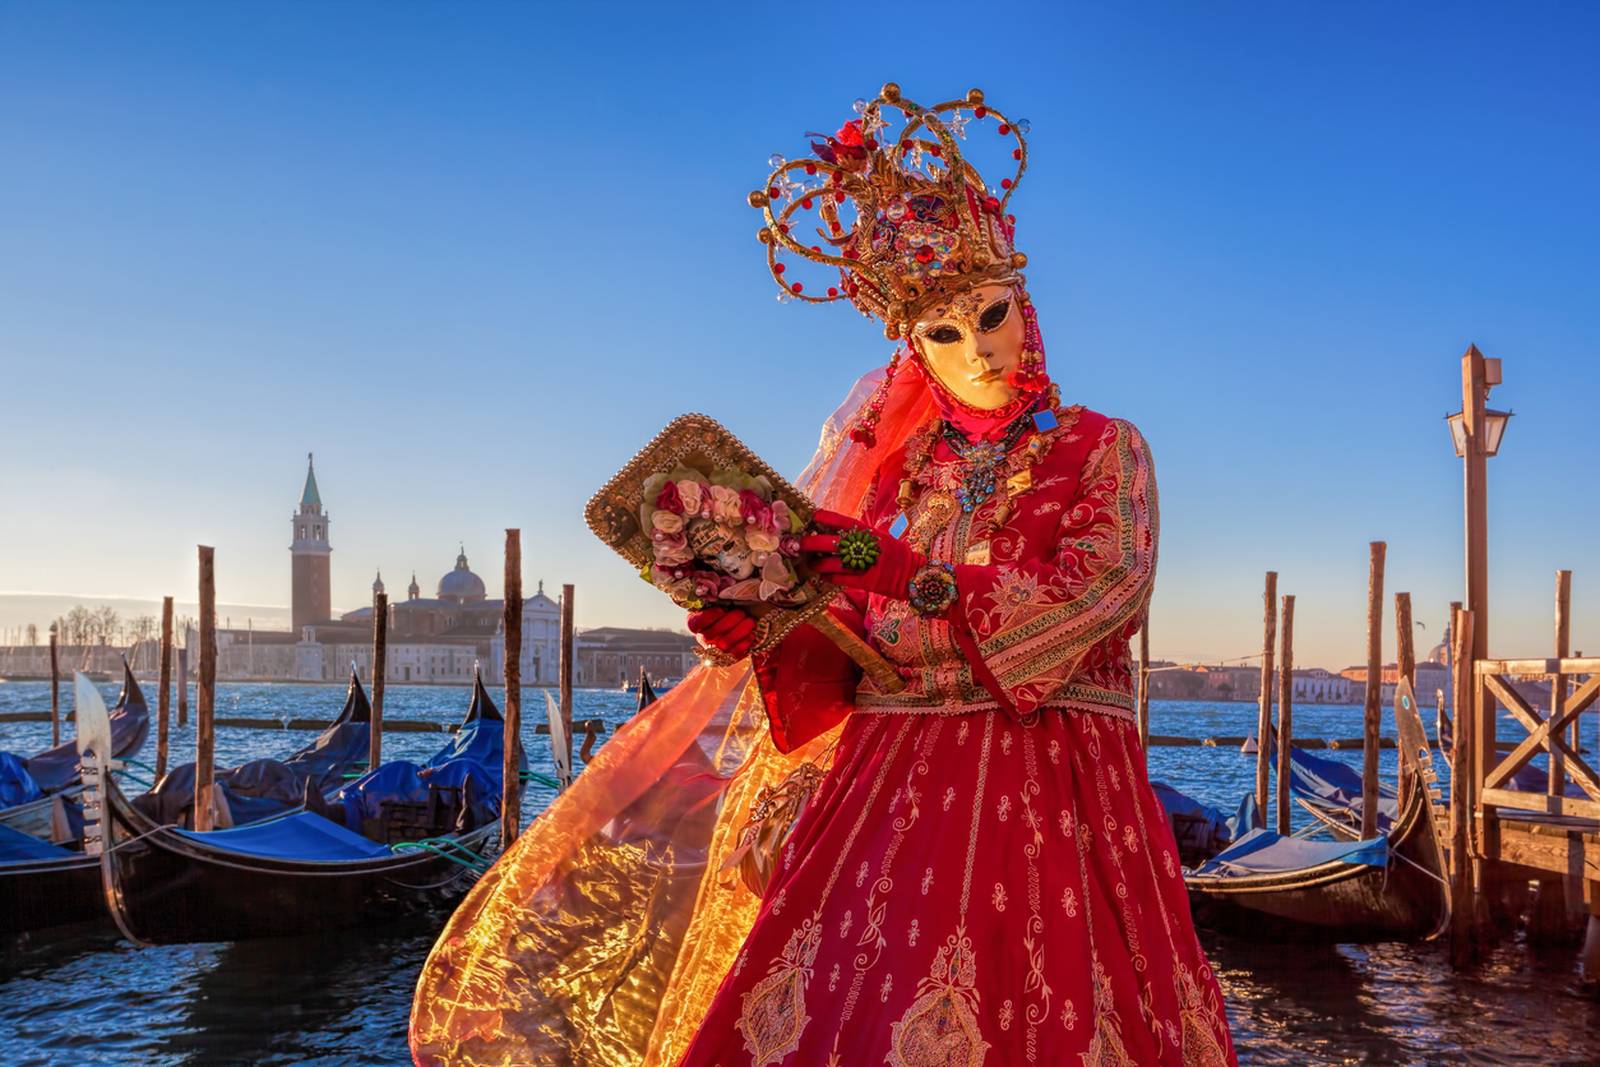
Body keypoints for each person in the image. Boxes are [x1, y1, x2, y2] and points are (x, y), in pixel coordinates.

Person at [410, 84, 1236, 1066]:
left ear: (1026, 305)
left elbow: (1103, 594)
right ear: (913, 351)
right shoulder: (894, 476)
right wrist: (772, 622)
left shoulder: (1104, 446)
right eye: (943, 333)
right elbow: (855, 640)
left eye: (992, 314)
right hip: (887, 797)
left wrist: (913, 576)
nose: (977, 347)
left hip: (1052, 787)